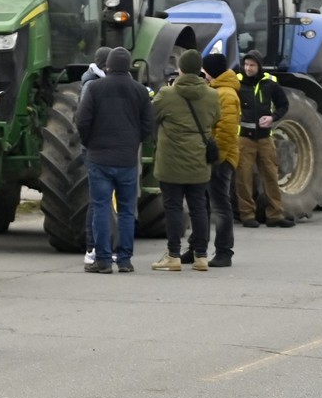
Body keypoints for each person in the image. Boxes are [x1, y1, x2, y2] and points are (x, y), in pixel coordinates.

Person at [74, 46, 155, 274]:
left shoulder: (95, 88)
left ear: (107, 66)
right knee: (127, 210)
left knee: (100, 207)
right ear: (129, 66)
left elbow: (82, 120)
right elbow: (149, 124)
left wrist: (90, 142)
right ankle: (125, 259)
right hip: (127, 159)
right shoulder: (140, 91)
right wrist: (133, 142)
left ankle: (103, 260)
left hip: (99, 158)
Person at [149, 49, 219, 271]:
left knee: (173, 208)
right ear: (200, 70)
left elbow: (152, 116)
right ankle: (201, 256)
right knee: (199, 207)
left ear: (180, 69)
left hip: (171, 162)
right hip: (199, 160)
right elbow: (216, 117)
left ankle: (174, 255)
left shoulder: (166, 94)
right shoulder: (211, 95)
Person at [235, 52, 291, 228]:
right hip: (244, 138)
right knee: (243, 178)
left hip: (265, 138)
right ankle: (247, 215)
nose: (248, 68)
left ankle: (275, 215)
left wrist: (272, 117)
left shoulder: (270, 83)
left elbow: (283, 104)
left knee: (271, 176)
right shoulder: (236, 82)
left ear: (259, 66)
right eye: (246, 65)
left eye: (252, 65)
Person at [203, 53, 242, 267]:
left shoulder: (226, 94)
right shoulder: (218, 90)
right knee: (205, 205)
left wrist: (216, 157)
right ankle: (198, 248)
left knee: (220, 205)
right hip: (216, 156)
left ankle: (224, 251)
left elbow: (226, 131)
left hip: (221, 158)